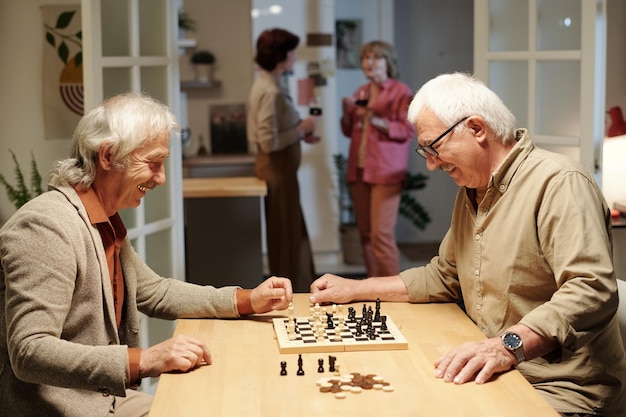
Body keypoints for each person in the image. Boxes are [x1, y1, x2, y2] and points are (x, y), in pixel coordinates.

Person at [311, 72, 626, 416]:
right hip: (502, 369)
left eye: (434, 147)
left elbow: (590, 290)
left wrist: (506, 348)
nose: (431, 164)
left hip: (563, 386)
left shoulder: (560, 183)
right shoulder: (472, 190)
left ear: (477, 129)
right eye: (425, 151)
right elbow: (443, 276)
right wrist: (355, 288)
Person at [0, 92, 294, 417]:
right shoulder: (46, 226)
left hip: (103, 399)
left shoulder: (101, 217)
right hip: (57, 408)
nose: (161, 178)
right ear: (109, 156)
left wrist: (247, 300)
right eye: (153, 163)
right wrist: (147, 360)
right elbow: (29, 351)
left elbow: (154, 291)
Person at [247, 28, 320, 292]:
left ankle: (294, 289)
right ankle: (289, 294)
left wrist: (300, 132)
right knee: (286, 237)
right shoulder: (270, 90)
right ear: (281, 55)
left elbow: (275, 132)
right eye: (291, 51)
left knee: (289, 234)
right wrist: (301, 129)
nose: (295, 56)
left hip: (282, 172)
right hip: (278, 171)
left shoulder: (271, 83)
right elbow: (267, 141)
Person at [340, 40, 416, 277]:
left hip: (386, 170)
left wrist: (375, 119)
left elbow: (407, 130)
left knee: (381, 235)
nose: (369, 63)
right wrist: (346, 111)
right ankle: (374, 285)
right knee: (366, 235)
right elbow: (347, 130)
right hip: (359, 169)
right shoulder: (361, 92)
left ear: (388, 62)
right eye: (365, 58)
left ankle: (393, 290)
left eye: (375, 58)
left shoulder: (400, 92)